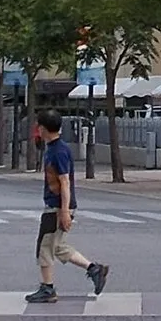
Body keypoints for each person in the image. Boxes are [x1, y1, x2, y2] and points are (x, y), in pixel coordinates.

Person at [27, 110, 108, 304]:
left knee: (45, 247)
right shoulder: (55, 148)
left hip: (57, 207)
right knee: (58, 246)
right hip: (58, 206)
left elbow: (65, 182)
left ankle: (47, 288)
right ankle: (94, 269)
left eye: (39, 127)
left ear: (44, 129)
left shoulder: (58, 151)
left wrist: (64, 211)